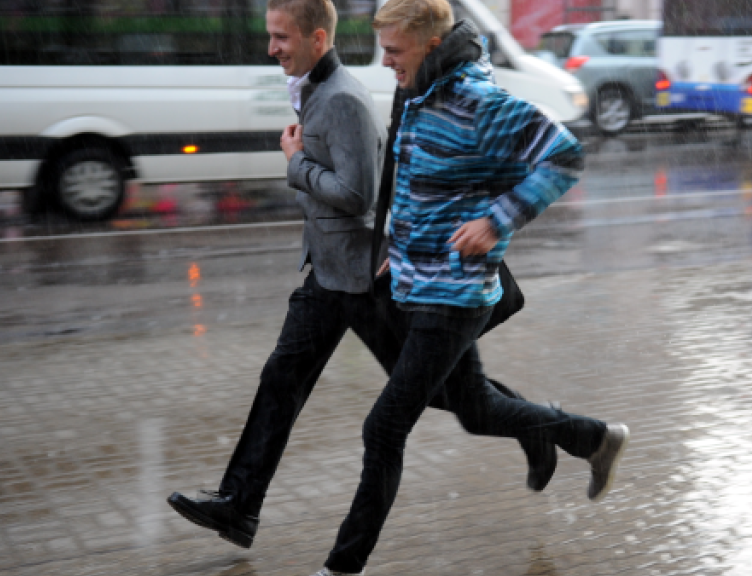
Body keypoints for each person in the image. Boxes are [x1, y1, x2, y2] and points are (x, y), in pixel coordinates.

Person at [166, 0, 557, 551]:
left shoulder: (343, 98)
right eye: (271, 36)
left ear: (316, 38)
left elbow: (357, 195)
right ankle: (239, 506)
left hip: (367, 279)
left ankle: (537, 426)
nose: (272, 47)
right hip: (328, 275)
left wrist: (296, 164)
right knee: (282, 379)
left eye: (282, 37)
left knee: (445, 392)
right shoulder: (313, 87)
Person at [310, 1, 630, 574]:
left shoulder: (478, 102)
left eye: (395, 51)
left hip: (454, 294)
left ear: (431, 45)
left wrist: (497, 221)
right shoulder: (420, 94)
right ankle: (591, 438)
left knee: (383, 427)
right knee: (476, 410)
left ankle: (342, 567)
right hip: (420, 284)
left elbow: (565, 156)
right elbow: (422, 189)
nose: (385, 62)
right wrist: (396, 250)